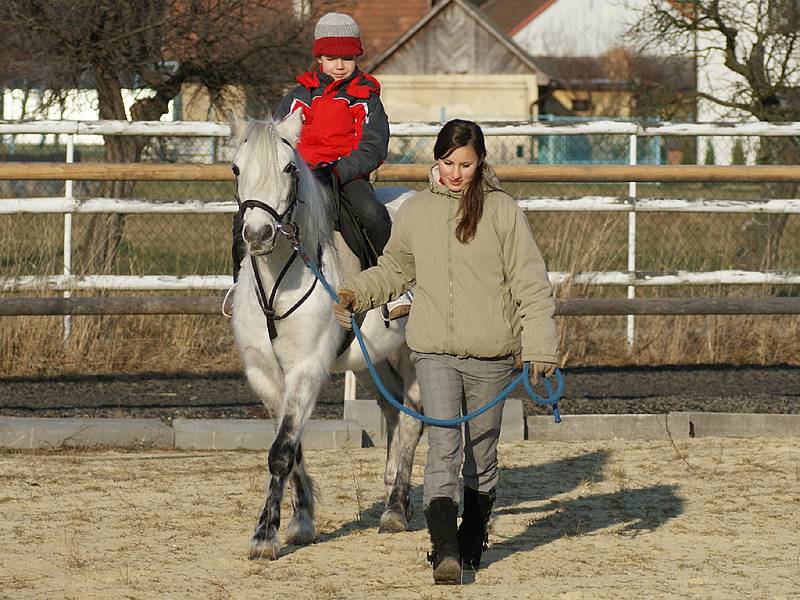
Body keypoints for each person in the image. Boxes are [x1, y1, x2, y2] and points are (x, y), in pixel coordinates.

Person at [331, 119, 559, 584]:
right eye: (449, 163)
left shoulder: (502, 212)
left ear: (480, 163)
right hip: (434, 349)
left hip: (492, 351)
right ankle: (445, 549)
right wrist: (356, 292)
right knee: (442, 447)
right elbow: (394, 269)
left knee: (482, 452)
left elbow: (531, 284)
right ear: (437, 161)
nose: (457, 173)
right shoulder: (417, 212)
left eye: (466, 164)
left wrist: (540, 347)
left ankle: (473, 536)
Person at [230, 11, 410, 319]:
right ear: (319, 58)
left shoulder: (366, 99)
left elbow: (373, 145)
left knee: (371, 213)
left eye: (348, 57)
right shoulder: (297, 98)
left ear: (357, 56)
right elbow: (276, 141)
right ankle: (240, 285)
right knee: (245, 218)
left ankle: (393, 284)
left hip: (345, 175)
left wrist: (339, 170)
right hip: (301, 176)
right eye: (331, 57)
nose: (340, 65)